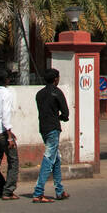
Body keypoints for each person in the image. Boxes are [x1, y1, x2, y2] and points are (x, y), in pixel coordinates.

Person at [32, 68, 70, 203]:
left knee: (56, 159)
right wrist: (61, 117)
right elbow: (65, 113)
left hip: (43, 127)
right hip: (53, 127)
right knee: (49, 158)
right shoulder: (57, 92)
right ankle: (38, 192)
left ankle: (59, 190)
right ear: (56, 79)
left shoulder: (39, 94)